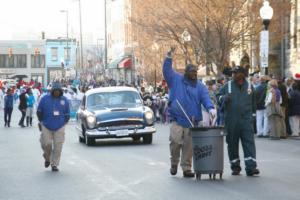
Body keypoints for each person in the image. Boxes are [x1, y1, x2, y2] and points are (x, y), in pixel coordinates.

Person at [163, 47, 216, 178]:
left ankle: (186, 168)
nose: (194, 74)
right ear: (186, 72)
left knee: (189, 145)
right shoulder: (176, 79)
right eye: (192, 72)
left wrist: (210, 108)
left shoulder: (200, 87)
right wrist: (169, 58)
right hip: (177, 117)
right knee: (175, 141)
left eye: (195, 72)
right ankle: (174, 163)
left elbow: (205, 98)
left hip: (192, 120)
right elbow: (166, 71)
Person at [217, 66, 259, 176]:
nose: (234, 75)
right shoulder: (228, 85)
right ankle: (235, 167)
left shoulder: (250, 86)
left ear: (242, 74)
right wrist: (223, 98)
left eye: (236, 73)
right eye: (233, 73)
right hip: (231, 120)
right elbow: (218, 96)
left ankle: (251, 167)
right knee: (232, 143)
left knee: (249, 143)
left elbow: (254, 103)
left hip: (246, 120)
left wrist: (252, 116)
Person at [37, 82, 70, 172]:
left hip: (60, 126)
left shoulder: (64, 100)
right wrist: (41, 122)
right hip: (46, 125)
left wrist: (64, 122)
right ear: (52, 91)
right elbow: (39, 112)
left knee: (58, 146)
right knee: (46, 144)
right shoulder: (44, 99)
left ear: (61, 91)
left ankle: (54, 164)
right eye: (55, 91)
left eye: (58, 91)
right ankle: (47, 158)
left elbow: (67, 114)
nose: (57, 93)